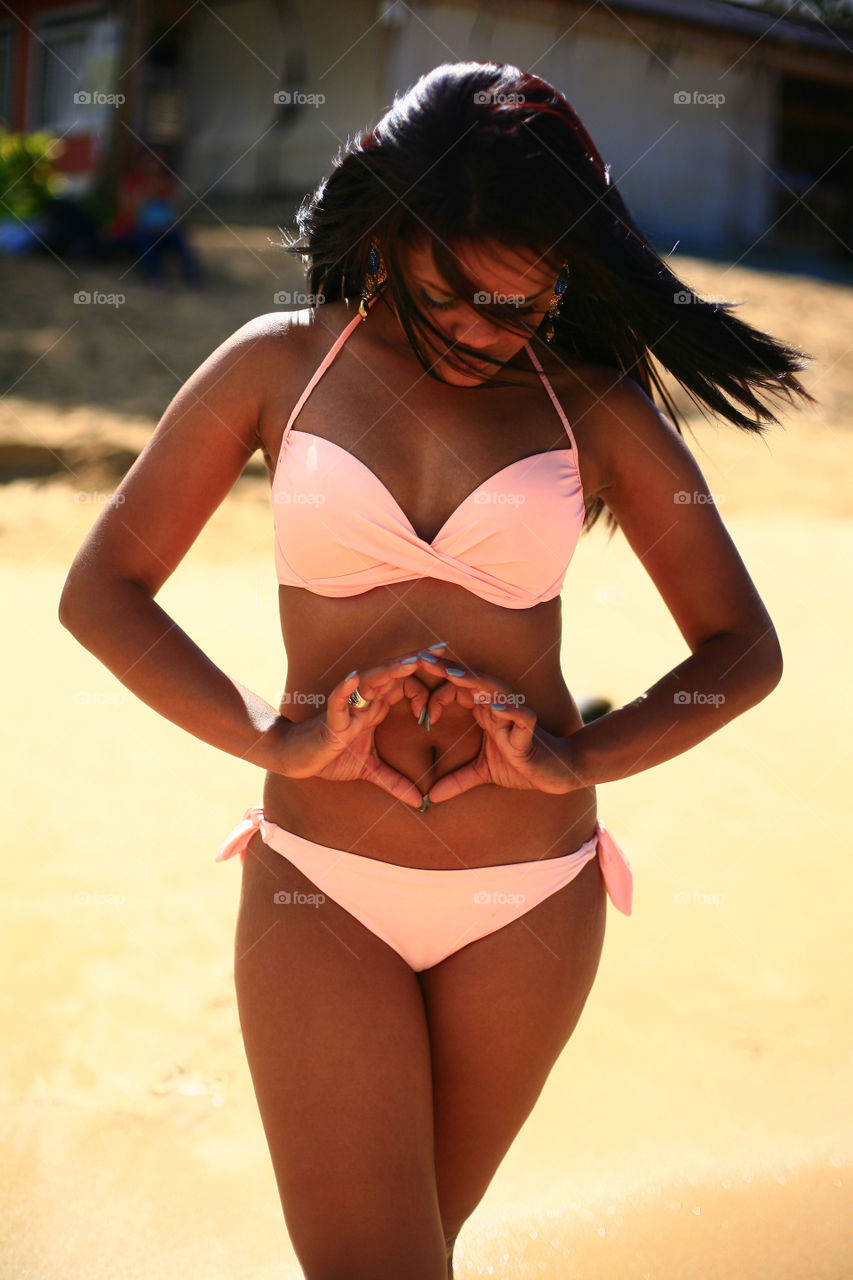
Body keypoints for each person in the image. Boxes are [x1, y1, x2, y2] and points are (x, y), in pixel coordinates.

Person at [59, 62, 814, 1279]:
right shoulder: (278, 366)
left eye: (523, 306)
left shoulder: (594, 407)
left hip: (530, 897)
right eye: (455, 291)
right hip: (320, 882)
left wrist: (577, 754)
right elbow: (100, 591)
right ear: (393, 233)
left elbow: (743, 647)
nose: (483, 329)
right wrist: (274, 735)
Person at [104, 144, 203, 286]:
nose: (156, 164)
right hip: (133, 231)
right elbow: (127, 211)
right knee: (144, 237)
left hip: (161, 231)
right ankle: (155, 276)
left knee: (177, 234)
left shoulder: (167, 184)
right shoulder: (131, 182)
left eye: (160, 160)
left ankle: (192, 275)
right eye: (152, 160)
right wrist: (148, 192)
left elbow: (179, 213)